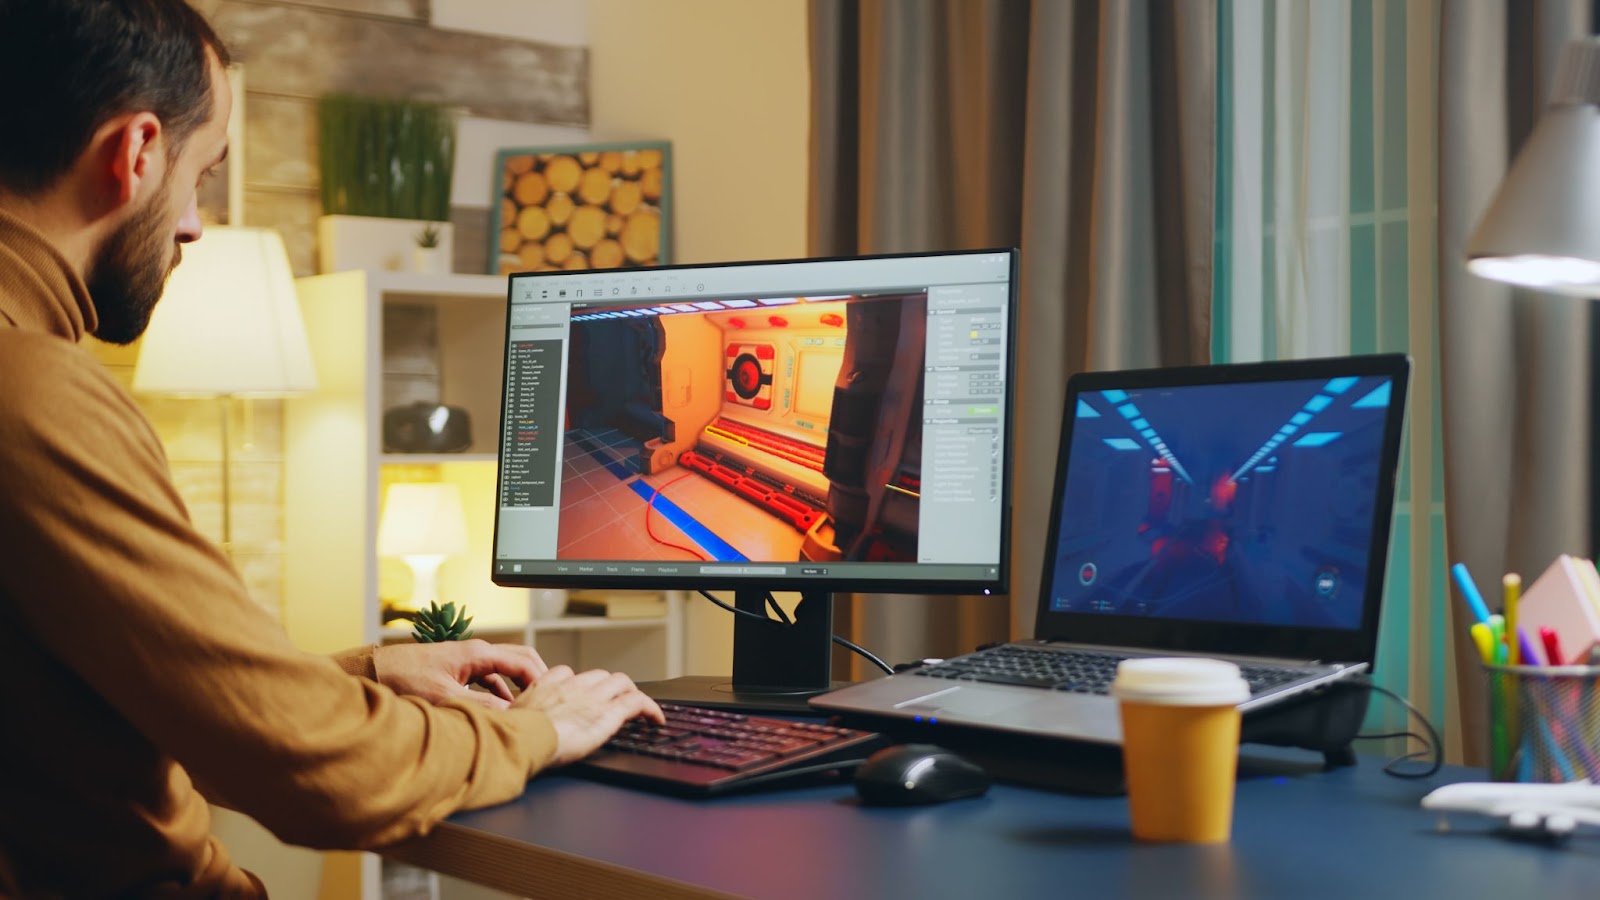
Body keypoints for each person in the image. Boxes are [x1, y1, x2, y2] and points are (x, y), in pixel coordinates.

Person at [0, 2, 663, 895]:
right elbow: (321, 776)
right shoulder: (34, 393)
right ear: (137, 153)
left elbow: (164, 711)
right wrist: (540, 726)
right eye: (203, 175)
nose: (193, 226)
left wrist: (369, 672)